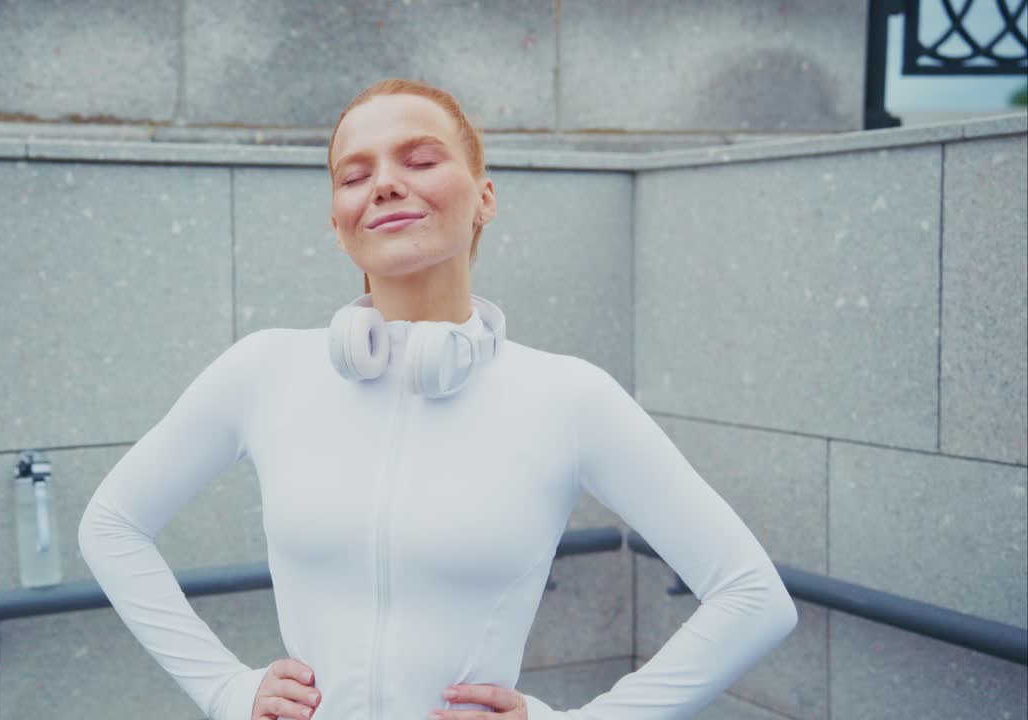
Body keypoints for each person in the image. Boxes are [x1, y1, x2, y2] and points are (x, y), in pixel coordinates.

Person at [78, 78, 799, 720]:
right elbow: (111, 525)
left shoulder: (569, 397)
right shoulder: (264, 370)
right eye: (354, 175)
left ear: (484, 195)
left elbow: (752, 597)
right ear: (338, 224)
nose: (386, 184)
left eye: (420, 160)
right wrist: (225, 689)